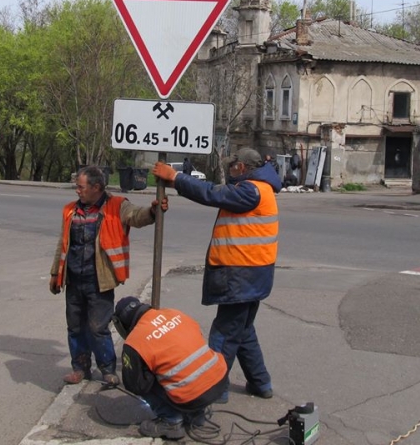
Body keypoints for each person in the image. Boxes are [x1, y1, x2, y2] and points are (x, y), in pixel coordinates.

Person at [152, 147, 281, 402]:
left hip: (240, 275)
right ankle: (260, 382)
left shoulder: (251, 190)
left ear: (242, 168)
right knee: (242, 331)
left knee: (224, 333)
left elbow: (211, 192)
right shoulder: (258, 188)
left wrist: (176, 178)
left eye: (233, 166)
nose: (231, 170)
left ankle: (212, 389)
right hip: (251, 275)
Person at [49, 165, 168, 387]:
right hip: (74, 280)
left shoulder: (117, 206)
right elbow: (63, 245)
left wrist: (152, 212)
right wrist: (56, 273)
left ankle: (107, 370)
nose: (77, 190)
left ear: (96, 187)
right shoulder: (70, 211)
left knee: (98, 327)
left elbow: (137, 216)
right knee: (75, 327)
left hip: (99, 281)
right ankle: (80, 368)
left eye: (81, 186)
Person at [113, 296, 228, 440]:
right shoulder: (173, 313)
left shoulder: (135, 341)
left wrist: (149, 371)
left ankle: (170, 421)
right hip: (220, 381)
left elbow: (135, 386)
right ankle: (197, 415)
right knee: (185, 363)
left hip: (192, 396)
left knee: (145, 378)